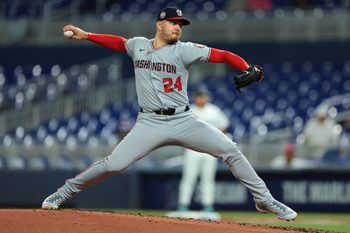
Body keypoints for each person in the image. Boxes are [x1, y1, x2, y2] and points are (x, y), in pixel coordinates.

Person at [42, 6, 297, 221]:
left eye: (180, 24)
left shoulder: (184, 49)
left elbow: (223, 55)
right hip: (149, 121)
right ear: (159, 25)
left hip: (183, 119)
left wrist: (246, 66)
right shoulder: (138, 46)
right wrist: (87, 35)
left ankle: (265, 201)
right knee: (114, 163)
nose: (178, 27)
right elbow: (119, 42)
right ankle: (63, 193)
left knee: (231, 151)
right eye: (173, 22)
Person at [178, 89, 229, 212]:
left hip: (209, 150)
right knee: (189, 178)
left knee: (208, 179)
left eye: (203, 97)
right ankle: (183, 204)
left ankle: (208, 205)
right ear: (195, 98)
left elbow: (224, 126)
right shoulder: (189, 110)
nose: (201, 99)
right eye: (199, 97)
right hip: (192, 149)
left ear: (206, 97)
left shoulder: (214, 110)